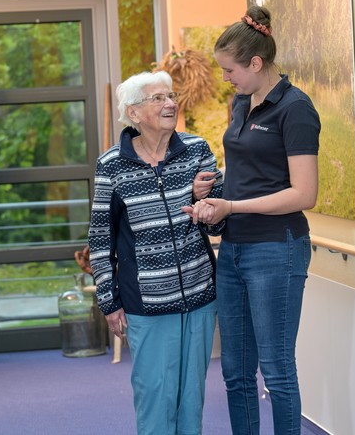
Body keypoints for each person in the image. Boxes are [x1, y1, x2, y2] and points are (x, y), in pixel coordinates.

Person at [186, 6, 321, 435]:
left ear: (256, 63)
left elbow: (304, 194)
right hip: (235, 248)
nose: (226, 78)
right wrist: (213, 190)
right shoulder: (241, 103)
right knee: (235, 372)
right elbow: (253, 173)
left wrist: (232, 208)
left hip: (277, 249)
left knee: (277, 370)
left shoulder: (295, 108)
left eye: (230, 70)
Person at [88, 70, 224, 435]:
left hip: (198, 296)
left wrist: (203, 202)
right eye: (158, 98)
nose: (170, 103)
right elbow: (100, 237)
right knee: (154, 397)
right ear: (133, 113)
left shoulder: (197, 150)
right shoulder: (111, 164)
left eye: (171, 95)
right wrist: (108, 300)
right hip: (145, 301)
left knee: (191, 399)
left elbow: (219, 223)